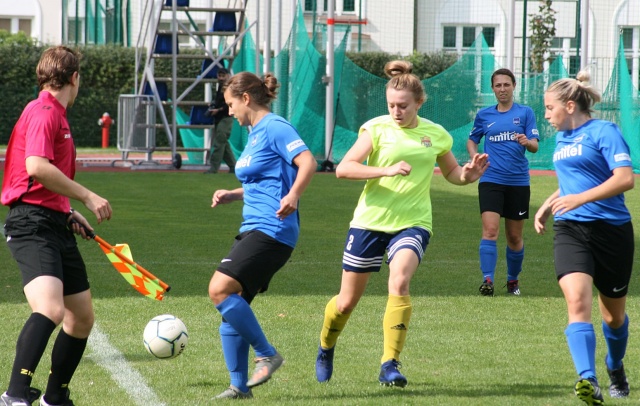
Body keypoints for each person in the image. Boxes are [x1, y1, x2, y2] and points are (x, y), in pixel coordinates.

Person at [315, 60, 489, 387]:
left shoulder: (435, 134)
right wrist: (386, 170)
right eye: (392, 105)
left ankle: (389, 364)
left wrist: (468, 175)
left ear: (419, 103)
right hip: (369, 222)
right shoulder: (375, 129)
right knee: (346, 302)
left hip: (413, 222)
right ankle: (326, 346)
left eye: (403, 106)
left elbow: (452, 173)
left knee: (400, 283)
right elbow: (344, 168)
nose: (396, 111)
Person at [0, 46, 112, 406]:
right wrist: (87, 197)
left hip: (53, 221)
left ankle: (55, 396)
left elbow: (44, 180)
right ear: (74, 78)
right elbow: (36, 167)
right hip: (31, 224)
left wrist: (67, 210)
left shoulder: (54, 114)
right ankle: (14, 394)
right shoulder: (45, 111)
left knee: (81, 317)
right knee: (50, 309)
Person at [207, 71, 316, 399]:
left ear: (245, 98)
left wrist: (294, 195)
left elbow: (308, 162)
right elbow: (265, 181)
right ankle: (239, 387)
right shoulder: (255, 134)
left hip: (273, 229)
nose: (229, 112)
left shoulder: (275, 126)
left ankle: (267, 354)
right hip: (254, 228)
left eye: (230, 105)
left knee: (220, 290)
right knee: (233, 310)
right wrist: (233, 194)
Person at [534, 71, 633, 405]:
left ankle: (614, 365)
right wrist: (548, 205)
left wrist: (580, 198)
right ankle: (588, 379)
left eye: (550, 108)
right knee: (577, 301)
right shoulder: (562, 139)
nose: (546, 115)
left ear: (570, 105)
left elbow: (624, 179)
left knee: (613, 318)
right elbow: (572, 182)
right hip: (570, 229)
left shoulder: (605, 131)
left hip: (612, 231)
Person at [467, 68, 539, 297]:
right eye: (498, 85)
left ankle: (512, 280)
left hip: (518, 181)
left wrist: (527, 142)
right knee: (490, 230)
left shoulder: (525, 113)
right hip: (491, 179)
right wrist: (474, 157)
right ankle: (487, 280)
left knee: (514, 237)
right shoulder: (484, 115)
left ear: (514, 86)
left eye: (506, 84)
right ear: (492, 88)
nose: (502, 89)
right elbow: (472, 140)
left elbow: (535, 146)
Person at [204, 67, 237, 174]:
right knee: (223, 143)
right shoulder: (220, 87)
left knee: (219, 143)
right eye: (219, 75)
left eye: (223, 76)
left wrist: (218, 109)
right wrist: (213, 105)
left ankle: (213, 168)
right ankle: (233, 167)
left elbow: (230, 104)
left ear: (228, 76)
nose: (221, 78)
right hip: (220, 117)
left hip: (226, 118)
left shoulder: (230, 88)